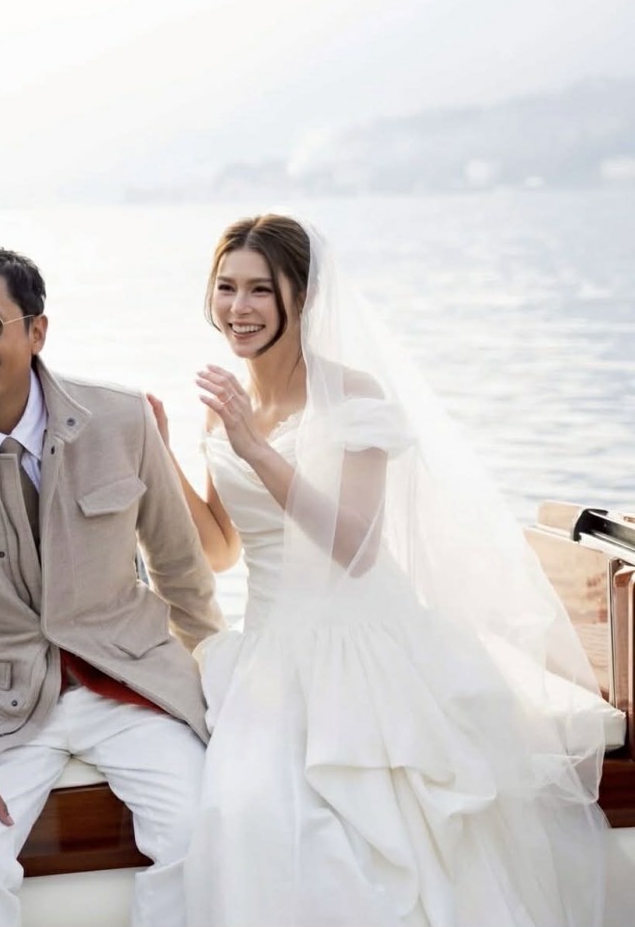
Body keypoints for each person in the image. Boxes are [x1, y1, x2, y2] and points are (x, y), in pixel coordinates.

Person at [149, 214, 614, 927]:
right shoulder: (224, 411)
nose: (239, 307)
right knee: (242, 813)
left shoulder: (354, 396)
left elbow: (356, 547)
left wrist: (255, 446)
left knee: (371, 841)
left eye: (260, 290)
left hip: (362, 646)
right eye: (226, 287)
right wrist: (162, 456)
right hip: (270, 653)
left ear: (302, 297)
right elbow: (221, 550)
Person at [0, 244, 225, 927]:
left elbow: (182, 571)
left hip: (133, 688)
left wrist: (221, 699)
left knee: (206, 832)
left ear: (36, 331)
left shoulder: (124, 419)